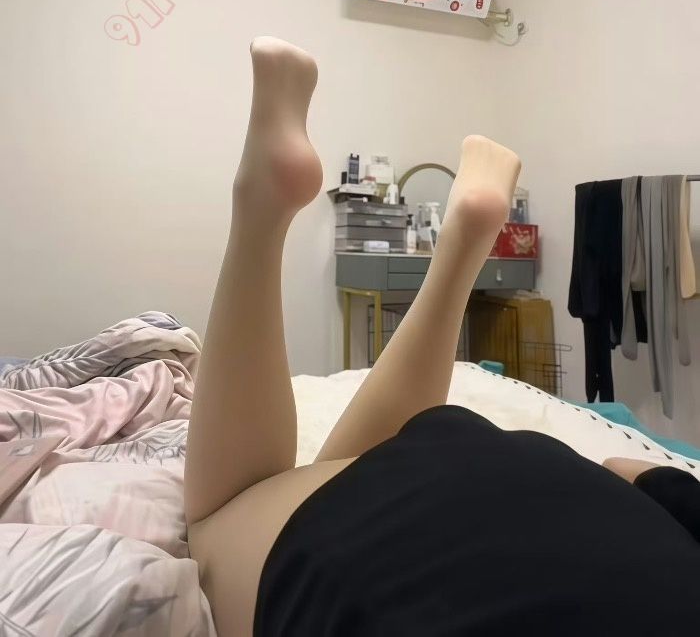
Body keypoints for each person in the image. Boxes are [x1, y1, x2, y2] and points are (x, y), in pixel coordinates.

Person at [185, 37, 700, 637]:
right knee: (220, 516)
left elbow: (628, 469)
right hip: (398, 565)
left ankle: (455, 236)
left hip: (531, 476)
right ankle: (270, 209)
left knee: (345, 475)